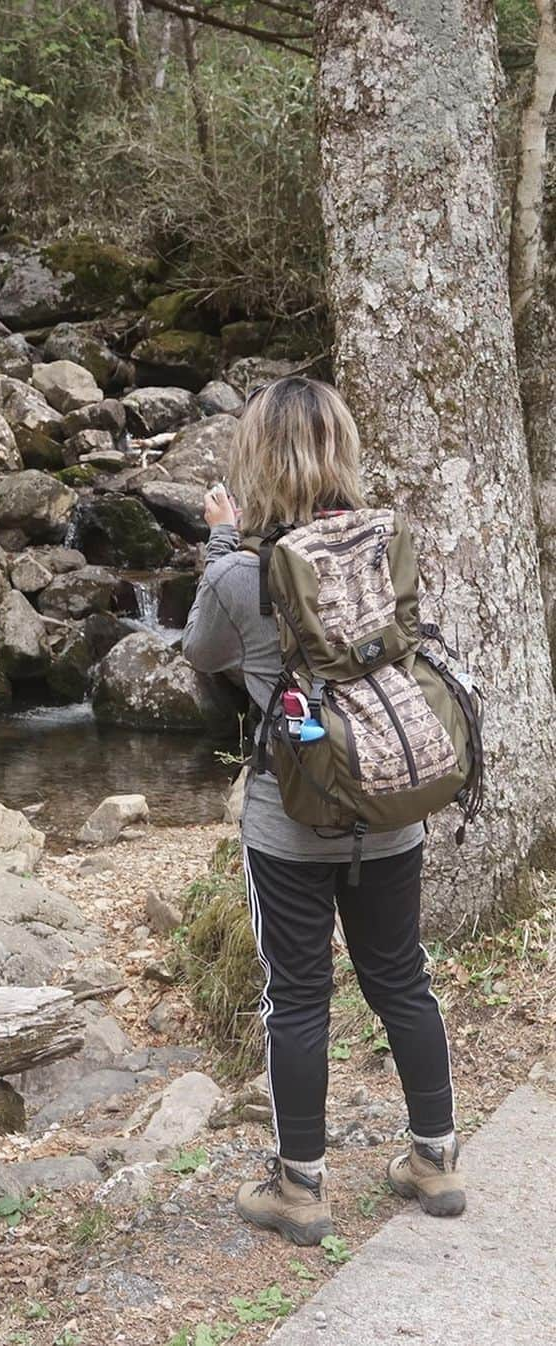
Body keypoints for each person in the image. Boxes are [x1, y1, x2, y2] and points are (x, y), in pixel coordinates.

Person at [181, 376, 465, 1247]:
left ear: (256, 460)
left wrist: (219, 545)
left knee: (297, 997)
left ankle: (300, 1187)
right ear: (341, 449)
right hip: (390, 796)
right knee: (401, 979)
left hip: (290, 819)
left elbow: (202, 655)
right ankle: (435, 1160)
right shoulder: (385, 545)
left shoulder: (240, 572)